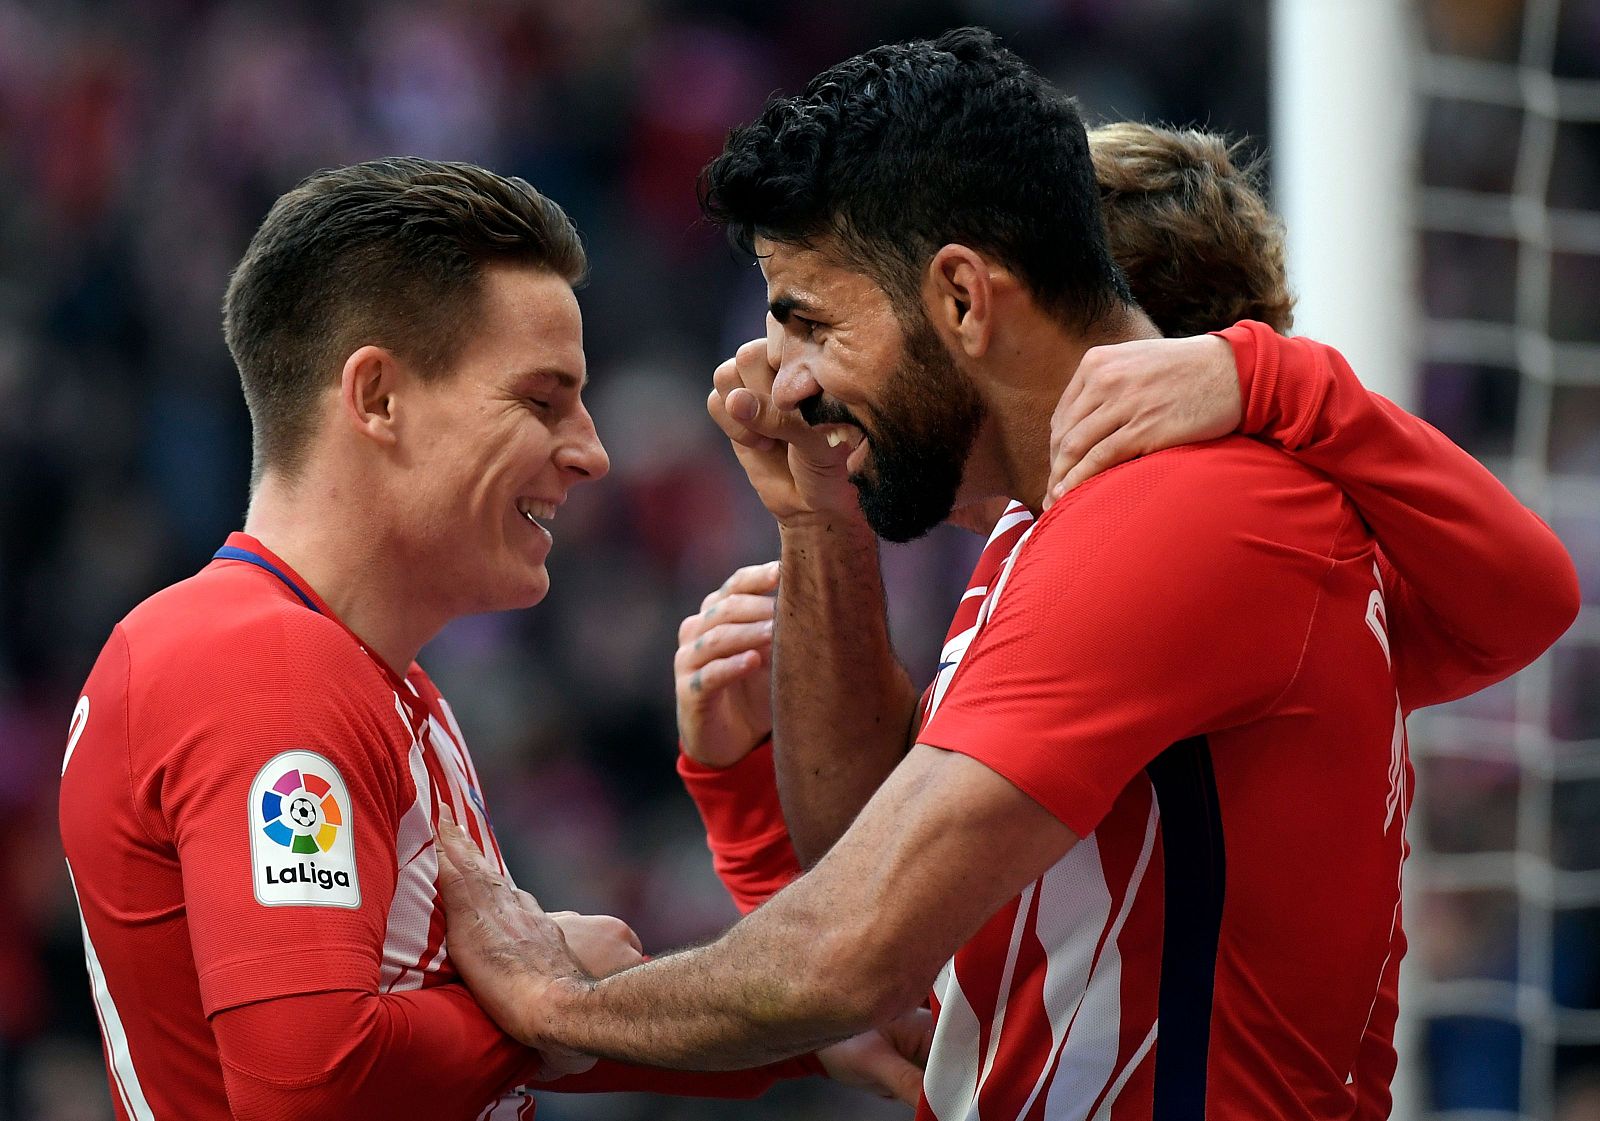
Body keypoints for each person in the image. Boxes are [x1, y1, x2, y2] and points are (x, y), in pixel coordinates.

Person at [432, 30, 1581, 1121]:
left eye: (813, 322)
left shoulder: (1190, 518)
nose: (783, 384)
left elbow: (853, 951)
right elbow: (885, 897)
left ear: (966, 299)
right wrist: (819, 525)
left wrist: (555, 1003)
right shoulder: (1045, 533)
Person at [57, 157, 927, 1121]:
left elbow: (453, 1038)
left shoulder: (379, 681)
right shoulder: (257, 663)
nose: (592, 451)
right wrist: (544, 1008)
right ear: (378, 398)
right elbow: (307, 1079)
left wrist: (802, 1036)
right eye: (542, 400)